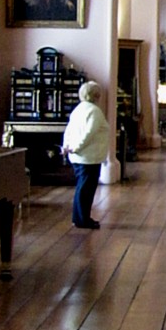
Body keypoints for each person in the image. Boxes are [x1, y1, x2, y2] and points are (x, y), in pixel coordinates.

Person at [62, 80, 109, 229]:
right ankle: (83, 220)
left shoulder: (78, 109)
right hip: (89, 157)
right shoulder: (94, 111)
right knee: (86, 190)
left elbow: (69, 130)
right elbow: (89, 133)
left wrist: (67, 146)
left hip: (79, 156)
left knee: (82, 188)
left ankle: (79, 218)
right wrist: (75, 147)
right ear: (96, 96)